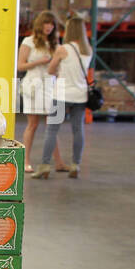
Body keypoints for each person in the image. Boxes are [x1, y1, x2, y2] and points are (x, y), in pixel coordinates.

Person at [34, 14, 92, 179]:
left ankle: (44, 166)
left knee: (52, 130)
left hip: (61, 95)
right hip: (80, 95)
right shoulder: (88, 51)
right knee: (78, 129)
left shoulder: (62, 49)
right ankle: (76, 164)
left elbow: (50, 70)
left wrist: (61, 71)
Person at [18, 11, 68, 172]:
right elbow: (20, 66)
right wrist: (39, 62)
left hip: (51, 85)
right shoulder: (28, 42)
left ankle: (58, 162)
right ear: (40, 25)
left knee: (52, 124)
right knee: (32, 124)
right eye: (46, 23)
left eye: (52, 24)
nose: (49, 27)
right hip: (33, 85)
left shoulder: (56, 44)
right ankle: (25, 162)